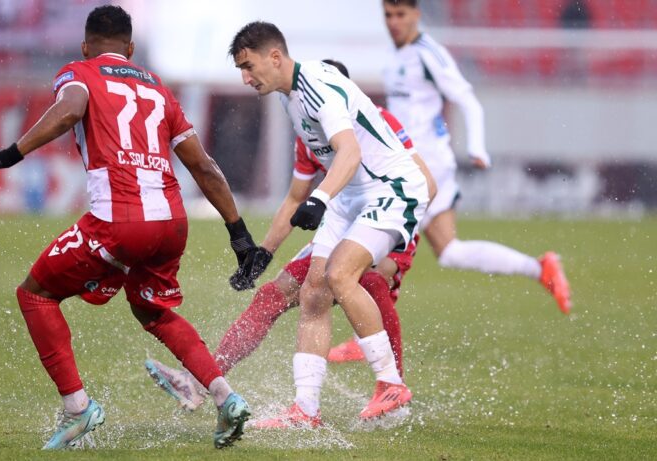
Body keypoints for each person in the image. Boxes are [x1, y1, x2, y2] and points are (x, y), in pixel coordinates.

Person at [0, 5, 257, 450]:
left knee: (35, 294)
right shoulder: (157, 88)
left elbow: (69, 111)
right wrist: (239, 233)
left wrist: (9, 154)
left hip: (120, 221)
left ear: (86, 46)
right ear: (131, 48)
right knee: (151, 309)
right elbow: (203, 165)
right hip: (171, 223)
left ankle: (78, 408)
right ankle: (225, 397)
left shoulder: (79, 72)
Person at [142, 60, 423, 428]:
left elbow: (423, 182)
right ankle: (208, 384)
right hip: (346, 219)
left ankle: (392, 388)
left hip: (387, 216)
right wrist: (264, 253)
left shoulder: (378, 123)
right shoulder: (309, 133)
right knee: (277, 294)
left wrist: (397, 252)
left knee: (369, 280)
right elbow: (294, 197)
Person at [228, 22, 436, 424]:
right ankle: (305, 409)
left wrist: (319, 199)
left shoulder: (317, 85)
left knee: (341, 275)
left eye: (248, 66)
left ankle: (391, 383)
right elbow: (305, 187)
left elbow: (350, 151)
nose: (245, 78)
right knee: (314, 292)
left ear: (275, 56)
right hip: (351, 197)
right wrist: (264, 252)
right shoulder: (288, 98)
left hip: (390, 187)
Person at [380, 0, 571, 316]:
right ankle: (540, 268)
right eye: (388, 15)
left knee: (379, 246)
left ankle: (371, 335)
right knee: (450, 251)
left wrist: (477, 147)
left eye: (401, 15)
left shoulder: (429, 54)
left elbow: (469, 102)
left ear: (416, 14)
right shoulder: (395, 54)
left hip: (425, 166)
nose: (394, 22)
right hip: (412, 163)